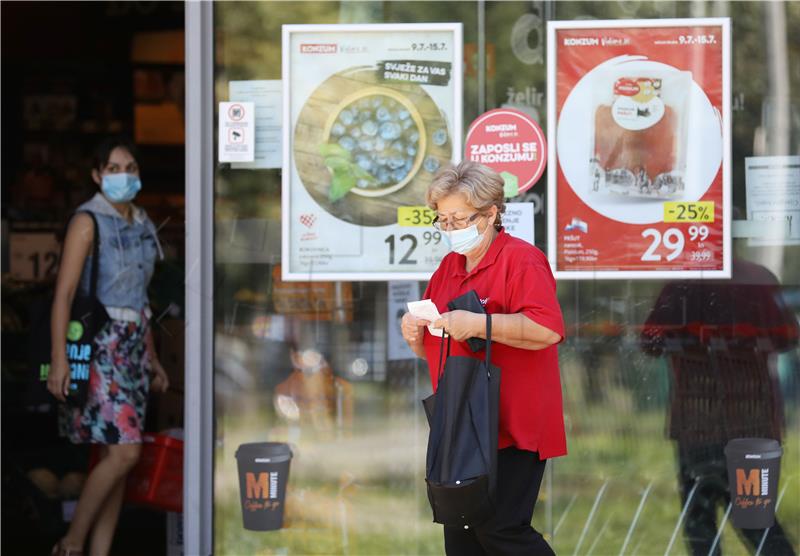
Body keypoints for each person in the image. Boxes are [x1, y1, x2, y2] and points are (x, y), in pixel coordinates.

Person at [401, 161, 566, 555]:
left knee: (502, 531)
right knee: (461, 535)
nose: (450, 229)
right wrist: (414, 335)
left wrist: (478, 323)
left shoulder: (521, 260)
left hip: (511, 421)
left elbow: (548, 330)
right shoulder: (449, 267)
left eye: (459, 218)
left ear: (491, 213)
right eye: (442, 220)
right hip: (460, 420)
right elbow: (441, 343)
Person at [47, 137, 169, 556]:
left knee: (113, 457)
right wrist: (59, 360)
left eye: (130, 167)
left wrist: (152, 357)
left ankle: (99, 552)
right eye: (114, 169)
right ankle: (72, 543)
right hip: (101, 346)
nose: (123, 176)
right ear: (97, 175)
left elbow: (142, 298)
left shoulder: (142, 224)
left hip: (134, 346)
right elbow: (64, 295)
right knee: (124, 454)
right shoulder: (87, 221)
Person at [641, 252, 799, 556]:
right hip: (751, 421)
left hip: (698, 423)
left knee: (701, 525)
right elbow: (788, 336)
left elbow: (650, 341)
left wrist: (696, 342)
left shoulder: (682, 282)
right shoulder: (758, 278)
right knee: (756, 521)